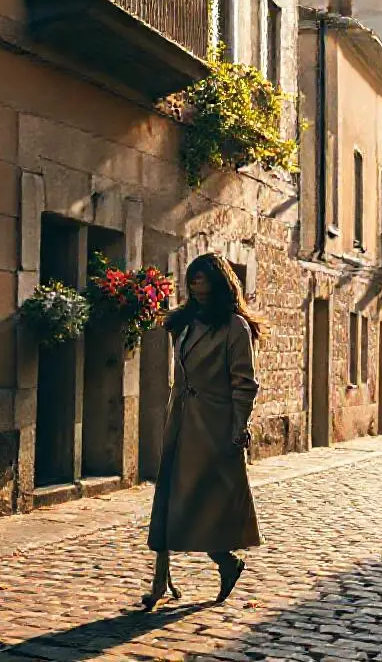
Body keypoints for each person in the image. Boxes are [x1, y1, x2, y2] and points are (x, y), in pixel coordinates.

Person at [142, 252, 262, 611]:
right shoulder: (184, 322)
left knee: (202, 503)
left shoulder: (234, 327)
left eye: (205, 286)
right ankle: (161, 580)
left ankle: (226, 561)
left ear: (220, 285)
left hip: (214, 425)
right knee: (167, 499)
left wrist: (239, 426)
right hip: (180, 419)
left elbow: (245, 383)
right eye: (193, 286)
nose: (198, 293)